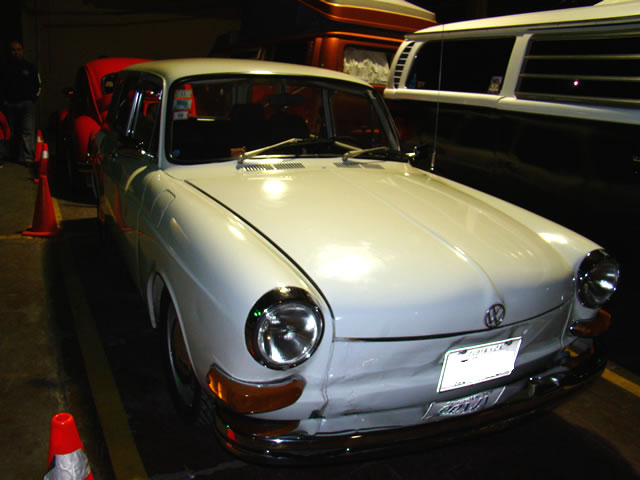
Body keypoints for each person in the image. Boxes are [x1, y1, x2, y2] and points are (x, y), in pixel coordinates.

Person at [0, 40, 41, 167]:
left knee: (28, 131)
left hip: (26, 103)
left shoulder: (30, 67)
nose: (16, 52)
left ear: (22, 51)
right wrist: (4, 101)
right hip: (10, 104)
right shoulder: (4, 68)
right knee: (10, 132)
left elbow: (38, 84)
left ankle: (28, 157)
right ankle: (10, 156)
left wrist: (32, 98)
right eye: (13, 50)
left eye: (18, 49)